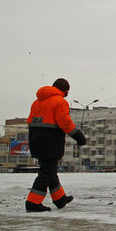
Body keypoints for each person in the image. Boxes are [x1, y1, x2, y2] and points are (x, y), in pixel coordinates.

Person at [26, 78, 86, 212]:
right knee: (46, 173)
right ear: (65, 91)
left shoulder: (37, 102)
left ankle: (60, 199)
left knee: (50, 171)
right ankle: (33, 203)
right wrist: (78, 135)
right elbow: (65, 122)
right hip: (51, 142)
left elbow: (30, 121)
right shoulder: (60, 102)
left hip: (36, 140)